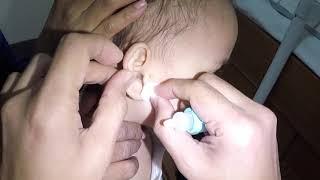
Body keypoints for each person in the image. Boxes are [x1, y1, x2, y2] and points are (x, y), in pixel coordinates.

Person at [0, 33, 280, 179]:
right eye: (202, 74)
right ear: (138, 66)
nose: (209, 90)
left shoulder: (157, 136)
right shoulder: (96, 159)